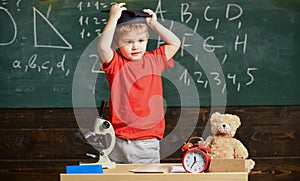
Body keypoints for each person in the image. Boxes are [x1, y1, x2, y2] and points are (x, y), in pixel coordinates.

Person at [98, 2, 181, 164]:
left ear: (147, 40)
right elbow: (102, 47)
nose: (136, 46)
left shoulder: (154, 60)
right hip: (117, 139)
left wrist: (154, 24)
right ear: (117, 44)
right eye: (128, 42)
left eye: (141, 40)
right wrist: (113, 19)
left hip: (147, 141)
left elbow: (175, 43)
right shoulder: (115, 63)